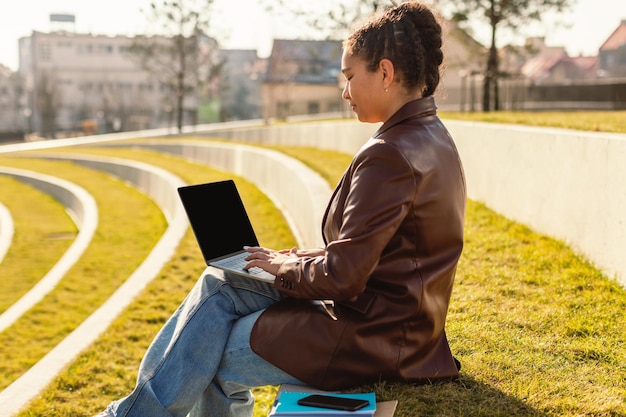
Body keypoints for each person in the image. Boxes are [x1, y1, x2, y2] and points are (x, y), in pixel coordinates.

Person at [96, 2, 465, 416]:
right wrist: (287, 259)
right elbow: (378, 252)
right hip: (399, 325)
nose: (344, 92)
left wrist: (283, 268)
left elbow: (344, 276)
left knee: (207, 350)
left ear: (384, 72)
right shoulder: (433, 136)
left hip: (371, 337)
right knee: (221, 279)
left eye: (348, 77)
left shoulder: (389, 155)